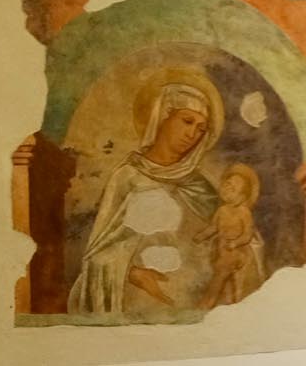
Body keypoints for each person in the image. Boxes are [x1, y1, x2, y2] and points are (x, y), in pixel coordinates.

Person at [69, 83, 222, 317]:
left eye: (201, 129)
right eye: (187, 121)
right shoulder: (127, 177)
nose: (192, 134)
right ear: (163, 117)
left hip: (193, 303)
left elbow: (229, 237)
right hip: (134, 302)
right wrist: (133, 273)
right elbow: (99, 254)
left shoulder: (199, 185)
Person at [197, 164, 266, 308]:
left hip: (238, 253)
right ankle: (227, 307)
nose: (227, 190)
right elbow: (213, 227)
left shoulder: (244, 212)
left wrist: (235, 243)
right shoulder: (222, 210)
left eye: (233, 189)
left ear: (243, 195)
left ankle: (206, 305)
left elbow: (247, 235)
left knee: (222, 280)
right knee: (227, 285)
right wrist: (202, 236)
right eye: (226, 185)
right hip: (223, 250)